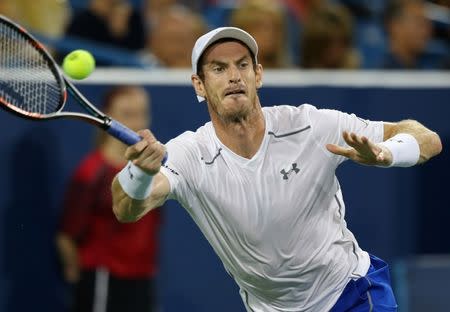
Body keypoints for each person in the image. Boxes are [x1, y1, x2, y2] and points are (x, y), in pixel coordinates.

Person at [111, 27, 442, 311]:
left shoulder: (309, 124)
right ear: (199, 84)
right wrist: (139, 173)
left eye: (242, 65)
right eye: (218, 68)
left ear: (258, 75)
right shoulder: (189, 153)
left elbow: (428, 139)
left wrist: (386, 153)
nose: (233, 76)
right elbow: (125, 209)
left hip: (350, 292)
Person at [56, 86, 162, 312]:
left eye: (141, 113)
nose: (137, 122)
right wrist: (78, 276)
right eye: (127, 114)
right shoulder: (91, 171)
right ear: (109, 118)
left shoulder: (152, 172)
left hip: (142, 278)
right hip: (102, 278)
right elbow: (67, 236)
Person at [229, 0, 291, 68]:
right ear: (243, 31)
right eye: (261, 27)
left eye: (275, 28)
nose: (270, 34)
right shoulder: (228, 73)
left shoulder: (291, 74)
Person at [382, 0, 442, 69]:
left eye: (427, 23)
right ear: (395, 26)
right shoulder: (376, 70)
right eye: (419, 23)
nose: (427, 30)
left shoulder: (438, 63)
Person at [299, 3, 360, 69]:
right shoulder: (297, 76)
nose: (335, 49)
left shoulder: (352, 70)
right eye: (327, 43)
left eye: (341, 42)